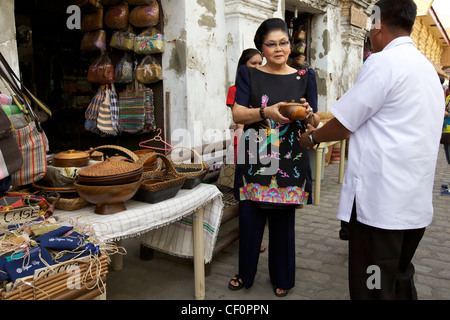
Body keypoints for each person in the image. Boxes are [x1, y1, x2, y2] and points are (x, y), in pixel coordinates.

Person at [299, 0, 444, 299]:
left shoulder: (382, 63)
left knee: (373, 287)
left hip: (381, 209)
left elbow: (344, 123)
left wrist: (312, 139)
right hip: (413, 205)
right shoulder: (428, 71)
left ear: (377, 25)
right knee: (400, 279)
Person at [228, 17, 320, 297]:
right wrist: (266, 112)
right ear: (261, 47)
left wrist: (308, 113)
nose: (278, 49)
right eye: (271, 44)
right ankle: (246, 274)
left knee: (283, 223)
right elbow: (237, 113)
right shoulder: (249, 75)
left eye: (283, 42)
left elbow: (313, 123)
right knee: (249, 216)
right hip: (255, 153)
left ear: (290, 46)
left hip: (290, 158)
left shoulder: (305, 77)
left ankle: (283, 276)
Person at [226, 48, 267, 253]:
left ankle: (255, 235)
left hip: (267, 142)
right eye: (253, 64)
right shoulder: (235, 90)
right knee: (245, 191)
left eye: (261, 63)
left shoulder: (267, 87)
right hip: (245, 141)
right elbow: (239, 121)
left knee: (261, 190)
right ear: (244, 66)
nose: (258, 67)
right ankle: (247, 236)